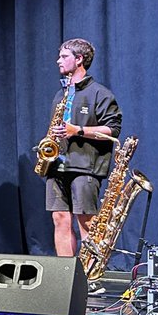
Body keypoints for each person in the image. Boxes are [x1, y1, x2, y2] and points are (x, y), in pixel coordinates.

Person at [45, 38, 122, 258]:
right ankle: (65, 274)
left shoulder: (100, 93)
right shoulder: (61, 94)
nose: (58, 60)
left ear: (79, 59)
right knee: (59, 218)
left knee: (86, 221)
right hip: (57, 165)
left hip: (85, 166)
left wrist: (77, 130)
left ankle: (89, 275)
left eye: (64, 56)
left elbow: (112, 129)